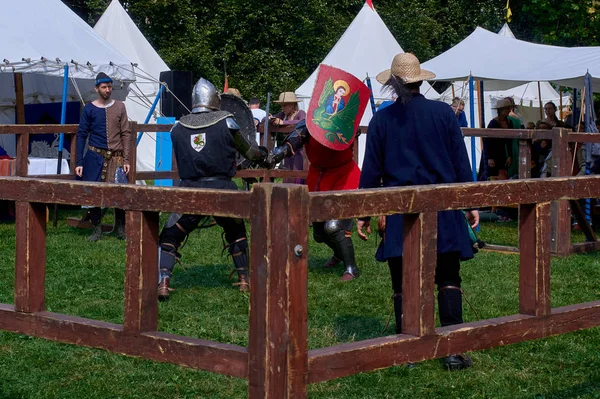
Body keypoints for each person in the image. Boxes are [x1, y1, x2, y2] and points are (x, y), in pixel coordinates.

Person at [356, 53, 479, 371]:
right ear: (420, 80)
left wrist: (364, 213)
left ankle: (407, 350)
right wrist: (470, 203)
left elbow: (371, 172)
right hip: (442, 210)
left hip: (401, 214)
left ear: (394, 84)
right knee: (448, 278)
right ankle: (452, 350)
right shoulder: (443, 114)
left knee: (403, 283)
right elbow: (460, 163)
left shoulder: (382, 119)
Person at [157, 78, 269, 300]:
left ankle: (164, 283)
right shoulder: (227, 122)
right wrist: (264, 155)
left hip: (188, 193)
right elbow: (250, 153)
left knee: (170, 237)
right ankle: (243, 280)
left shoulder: (178, 126)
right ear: (215, 99)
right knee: (236, 233)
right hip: (223, 192)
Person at [268, 71, 368, 280]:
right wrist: (280, 152)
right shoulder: (310, 122)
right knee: (319, 233)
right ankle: (339, 254)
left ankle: (352, 268)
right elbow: (294, 140)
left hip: (344, 176)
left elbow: (351, 133)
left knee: (334, 226)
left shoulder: (345, 121)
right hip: (320, 177)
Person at [75, 72, 131, 242]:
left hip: (116, 157)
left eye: (109, 87)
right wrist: (79, 162)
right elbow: (82, 134)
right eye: (104, 87)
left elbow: (126, 133)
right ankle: (97, 229)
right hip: (94, 156)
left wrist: (126, 159)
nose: (107, 90)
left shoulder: (120, 106)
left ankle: (120, 229)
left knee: (119, 193)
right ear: (96, 88)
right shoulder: (89, 109)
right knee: (92, 193)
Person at [269, 92, 306, 184]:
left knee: (297, 171)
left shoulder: (300, 113)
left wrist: (283, 123)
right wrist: (271, 119)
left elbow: (302, 121)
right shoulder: (283, 114)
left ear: (293, 105)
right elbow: (264, 119)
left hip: (299, 149)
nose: (283, 108)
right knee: (288, 171)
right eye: (282, 105)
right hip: (287, 149)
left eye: (285, 105)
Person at [485, 98, 519, 179]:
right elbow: (488, 141)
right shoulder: (493, 123)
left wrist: (510, 155)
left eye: (509, 108)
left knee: (504, 175)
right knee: (494, 176)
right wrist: (490, 158)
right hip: (494, 153)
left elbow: (510, 140)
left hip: (504, 153)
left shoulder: (509, 123)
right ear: (501, 110)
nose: (509, 110)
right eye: (507, 108)